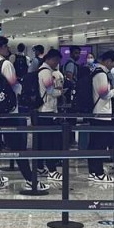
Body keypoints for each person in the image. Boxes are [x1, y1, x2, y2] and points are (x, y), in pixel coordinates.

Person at [0, 36, 47, 191]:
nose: (8, 49)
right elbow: (15, 86)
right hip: (9, 113)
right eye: (5, 46)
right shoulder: (5, 64)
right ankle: (30, 180)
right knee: (18, 147)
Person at [88, 51, 114, 183]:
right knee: (99, 145)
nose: (113, 66)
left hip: (97, 113)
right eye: (113, 63)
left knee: (95, 144)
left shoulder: (96, 71)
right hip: (101, 114)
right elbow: (104, 94)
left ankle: (93, 171)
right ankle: (97, 172)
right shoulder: (101, 74)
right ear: (108, 61)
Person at [36, 49, 64, 180]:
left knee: (41, 141)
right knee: (49, 142)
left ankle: (39, 167)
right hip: (47, 110)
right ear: (51, 59)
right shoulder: (46, 72)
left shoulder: (40, 70)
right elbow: (51, 91)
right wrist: (61, 92)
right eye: (56, 61)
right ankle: (52, 170)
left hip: (41, 110)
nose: (57, 64)